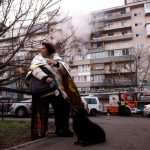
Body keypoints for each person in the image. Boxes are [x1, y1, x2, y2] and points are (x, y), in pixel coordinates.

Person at [26, 42, 81, 139]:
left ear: (49, 49)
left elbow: (65, 72)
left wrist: (55, 63)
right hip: (45, 89)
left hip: (59, 89)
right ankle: (59, 130)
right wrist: (44, 78)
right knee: (61, 105)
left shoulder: (57, 58)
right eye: (41, 48)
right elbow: (35, 70)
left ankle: (62, 129)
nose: (41, 50)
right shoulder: (37, 58)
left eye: (44, 48)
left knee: (64, 108)